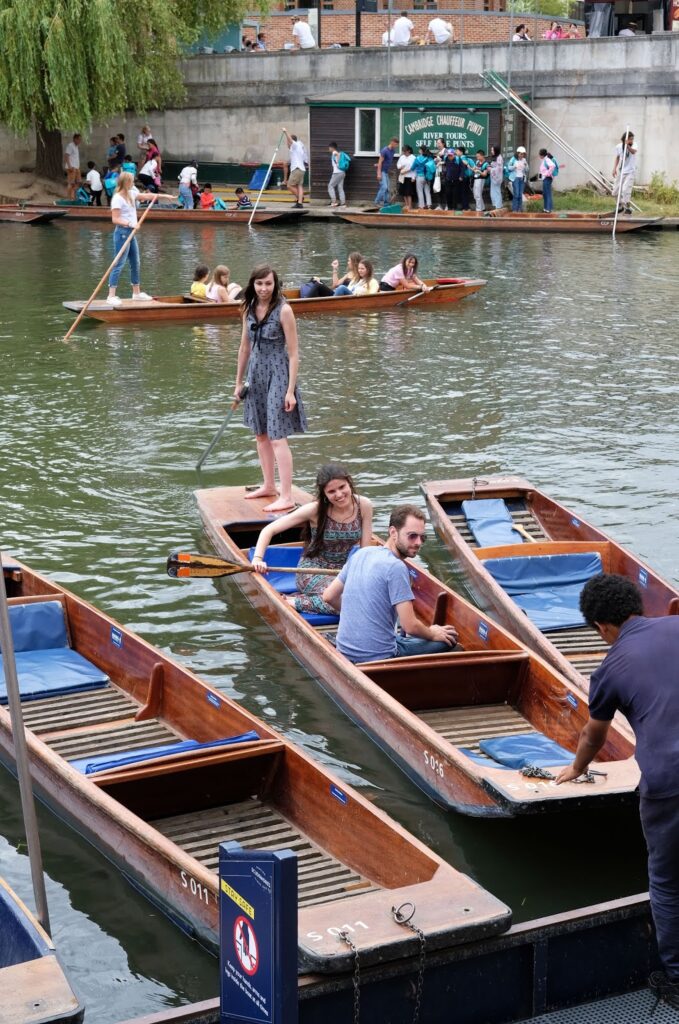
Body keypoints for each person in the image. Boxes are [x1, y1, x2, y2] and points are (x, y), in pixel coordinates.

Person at [555, 574, 679, 1013]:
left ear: (601, 627)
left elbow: (594, 733)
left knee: (667, 882)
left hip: (669, 782)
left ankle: (676, 980)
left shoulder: (607, 670)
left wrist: (576, 768)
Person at [322, 505, 459, 664]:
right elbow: (410, 627)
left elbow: (329, 596)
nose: (418, 542)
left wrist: (359, 614)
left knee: (401, 634)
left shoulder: (361, 553)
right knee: (449, 640)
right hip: (381, 657)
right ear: (393, 532)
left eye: (422, 537)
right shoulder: (396, 567)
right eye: (412, 536)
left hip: (345, 650)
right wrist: (433, 633)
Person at [252, 463, 373, 615]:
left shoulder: (364, 505)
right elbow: (269, 529)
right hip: (310, 572)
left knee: (368, 598)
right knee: (345, 603)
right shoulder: (315, 510)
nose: (339, 494)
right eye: (332, 491)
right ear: (324, 494)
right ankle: (295, 602)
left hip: (342, 573)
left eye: (342, 487)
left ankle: (307, 599)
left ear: (349, 483)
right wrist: (257, 558)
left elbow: (366, 552)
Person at [234, 265, 307, 513]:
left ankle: (286, 495)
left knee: (277, 436)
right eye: (259, 284)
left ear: (276, 285)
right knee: (260, 433)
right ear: (252, 284)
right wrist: (238, 382)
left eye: (268, 284)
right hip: (256, 372)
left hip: (278, 371)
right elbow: (244, 348)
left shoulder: (284, 310)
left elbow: (294, 353)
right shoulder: (248, 308)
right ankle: (268, 485)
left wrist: (289, 391)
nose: (264, 288)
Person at [105, 172, 175, 305]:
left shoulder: (131, 193)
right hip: (122, 233)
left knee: (135, 262)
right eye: (131, 181)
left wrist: (163, 196)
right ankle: (111, 295)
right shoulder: (117, 198)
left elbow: (146, 195)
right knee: (119, 263)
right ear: (125, 183)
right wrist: (131, 223)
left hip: (131, 233)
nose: (133, 183)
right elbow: (115, 219)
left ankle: (136, 293)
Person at [613, 131, 637, 214]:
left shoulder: (634, 145)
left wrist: (628, 146)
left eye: (632, 139)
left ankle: (627, 208)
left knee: (625, 190)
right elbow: (617, 157)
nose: (632, 141)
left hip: (630, 171)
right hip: (621, 171)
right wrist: (614, 169)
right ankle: (620, 206)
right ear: (625, 139)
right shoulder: (618, 146)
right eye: (630, 139)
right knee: (615, 191)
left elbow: (633, 151)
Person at [282, 129, 306, 209]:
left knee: (289, 185)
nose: (287, 144)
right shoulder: (299, 146)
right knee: (299, 185)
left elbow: (291, 140)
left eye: (287, 142)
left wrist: (285, 132)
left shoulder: (295, 146)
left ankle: (300, 199)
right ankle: (299, 203)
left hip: (297, 169)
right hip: (301, 169)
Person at [375, 137, 399, 207]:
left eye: (397, 145)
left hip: (386, 172)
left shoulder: (393, 151)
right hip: (381, 171)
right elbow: (380, 162)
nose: (396, 146)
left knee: (387, 189)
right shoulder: (384, 150)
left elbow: (387, 162)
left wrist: (389, 170)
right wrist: (378, 173)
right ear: (392, 142)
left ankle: (386, 203)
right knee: (384, 187)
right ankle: (377, 202)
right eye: (396, 144)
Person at [412, 146, 434, 210]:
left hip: (419, 176)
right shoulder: (429, 158)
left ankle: (421, 206)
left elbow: (412, 168)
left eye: (419, 149)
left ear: (421, 150)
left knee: (420, 191)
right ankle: (429, 205)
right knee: (427, 191)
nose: (419, 150)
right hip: (427, 176)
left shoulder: (417, 158)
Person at [396, 145, 416, 212]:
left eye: (405, 151)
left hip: (410, 177)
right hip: (403, 176)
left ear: (409, 151)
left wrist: (414, 177)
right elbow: (398, 165)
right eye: (403, 151)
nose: (404, 152)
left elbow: (415, 168)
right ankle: (406, 205)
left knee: (409, 192)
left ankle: (410, 206)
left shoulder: (413, 157)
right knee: (403, 192)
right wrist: (400, 166)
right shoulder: (402, 157)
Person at [327, 142, 347, 208]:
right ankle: (343, 204)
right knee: (340, 188)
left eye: (329, 148)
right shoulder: (337, 152)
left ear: (332, 148)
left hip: (337, 172)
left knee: (330, 186)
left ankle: (334, 202)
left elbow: (337, 155)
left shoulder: (334, 152)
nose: (328, 149)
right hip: (342, 172)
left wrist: (338, 163)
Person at [508, 146, 528, 211]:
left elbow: (527, 170)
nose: (522, 155)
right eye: (520, 154)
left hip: (522, 178)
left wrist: (525, 165)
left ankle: (519, 209)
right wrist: (514, 166)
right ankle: (514, 209)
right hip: (515, 178)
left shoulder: (524, 160)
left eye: (523, 154)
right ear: (518, 153)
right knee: (516, 194)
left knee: (520, 194)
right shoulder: (513, 159)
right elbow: (509, 167)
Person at [538, 148, 557, 212]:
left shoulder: (547, 159)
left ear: (542, 155)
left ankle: (548, 208)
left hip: (547, 178)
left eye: (539, 154)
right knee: (545, 193)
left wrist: (547, 174)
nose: (539, 156)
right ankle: (546, 208)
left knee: (547, 193)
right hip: (545, 178)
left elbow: (553, 166)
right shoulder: (545, 159)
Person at [64, 133, 81, 199]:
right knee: (71, 183)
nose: (80, 141)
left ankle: (73, 197)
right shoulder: (70, 145)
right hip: (72, 167)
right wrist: (69, 166)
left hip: (76, 167)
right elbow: (66, 155)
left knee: (77, 182)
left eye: (80, 139)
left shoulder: (76, 146)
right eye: (79, 139)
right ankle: (69, 198)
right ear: (75, 139)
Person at [489, 145, 504, 209]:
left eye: (492, 150)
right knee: (493, 192)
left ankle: (498, 206)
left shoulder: (499, 158)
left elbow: (499, 169)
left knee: (496, 192)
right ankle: (496, 206)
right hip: (494, 177)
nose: (491, 151)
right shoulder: (496, 157)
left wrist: (491, 169)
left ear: (496, 150)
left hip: (497, 178)